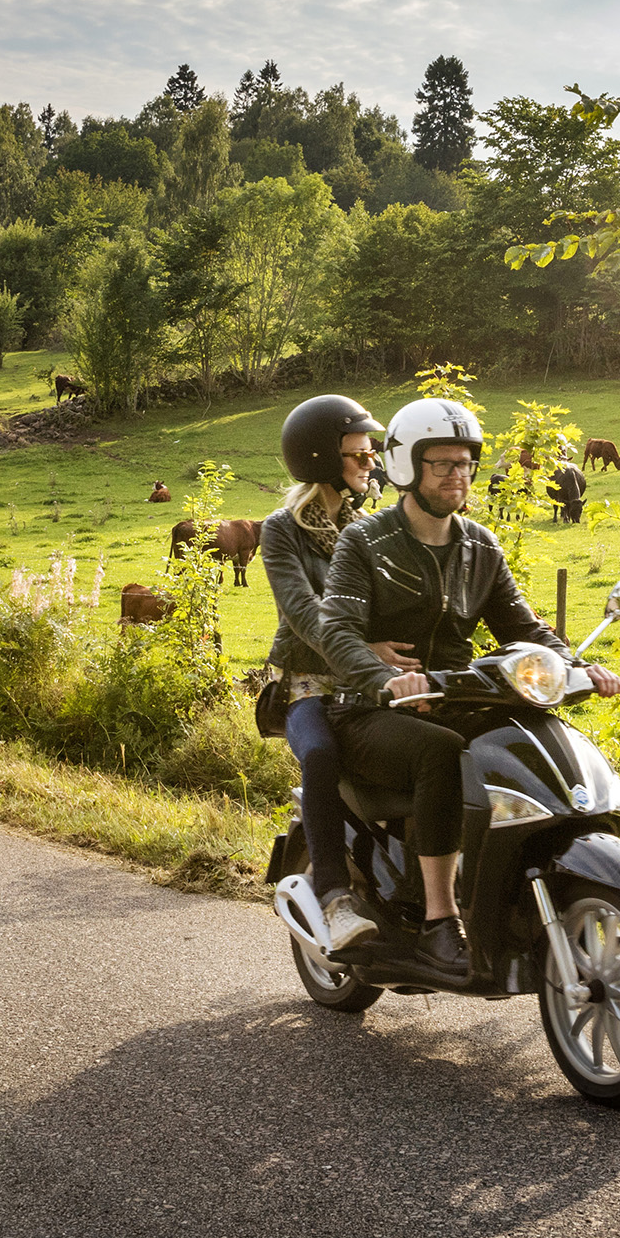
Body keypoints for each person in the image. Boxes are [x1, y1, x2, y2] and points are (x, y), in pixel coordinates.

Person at [312, 395, 620, 984]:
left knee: (528, 733)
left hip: (454, 695)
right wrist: (384, 678)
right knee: (437, 751)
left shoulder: (480, 545)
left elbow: (522, 626)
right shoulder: (366, 543)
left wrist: (579, 665)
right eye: (443, 465)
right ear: (406, 467)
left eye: (465, 464)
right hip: (369, 709)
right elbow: (338, 630)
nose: (458, 476)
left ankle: (511, 884)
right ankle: (438, 923)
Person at [258, 393, 400, 957]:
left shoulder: (369, 530)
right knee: (320, 754)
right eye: (359, 455)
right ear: (321, 459)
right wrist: (363, 647)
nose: (371, 464)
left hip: (371, 682)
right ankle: (336, 896)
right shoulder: (281, 531)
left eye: (372, 454)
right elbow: (304, 611)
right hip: (310, 684)